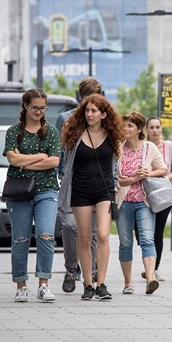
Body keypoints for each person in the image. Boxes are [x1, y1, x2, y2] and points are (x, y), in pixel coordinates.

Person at [59, 93, 122, 301]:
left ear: (104, 114)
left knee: (103, 235)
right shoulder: (75, 134)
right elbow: (67, 165)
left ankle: (101, 283)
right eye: (87, 110)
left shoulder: (112, 135)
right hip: (80, 190)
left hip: (104, 191)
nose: (89, 114)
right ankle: (87, 284)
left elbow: (115, 163)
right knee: (84, 238)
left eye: (94, 110)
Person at [3, 88, 61, 302]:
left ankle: (44, 284)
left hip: (46, 190)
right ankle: (21, 285)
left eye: (43, 108)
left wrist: (24, 160)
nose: (39, 111)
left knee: (46, 234)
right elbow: (12, 160)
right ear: (25, 106)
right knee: (20, 238)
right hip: (19, 192)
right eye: (35, 107)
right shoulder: (13, 131)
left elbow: (54, 161)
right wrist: (39, 156)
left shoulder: (52, 131)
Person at [55, 76, 102, 293]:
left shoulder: (104, 119)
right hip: (70, 179)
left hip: (95, 181)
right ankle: (71, 268)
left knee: (92, 232)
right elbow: (58, 150)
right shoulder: (66, 118)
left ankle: (91, 273)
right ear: (79, 97)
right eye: (86, 99)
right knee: (69, 225)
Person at [116, 112, 167, 295]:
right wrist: (135, 178)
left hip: (144, 202)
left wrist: (149, 173)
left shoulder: (149, 148)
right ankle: (128, 283)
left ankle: (151, 279)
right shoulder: (118, 149)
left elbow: (163, 169)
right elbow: (118, 180)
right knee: (125, 242)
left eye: (130, 125)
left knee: (147, 239)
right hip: (124, 203)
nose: (125, 129)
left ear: (139, 128)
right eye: (124, 125)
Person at [138, 116, 172, 282]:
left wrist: (165, 180)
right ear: (147, 130)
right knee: (142, 232)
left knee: (158, 232)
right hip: (144, 193)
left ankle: (153, 269)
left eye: (157, 127)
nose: (155, 130)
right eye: (151, 128)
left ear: (161, 128)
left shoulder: (170, 147)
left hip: (162, 193)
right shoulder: (143, 147)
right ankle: (149, 263)